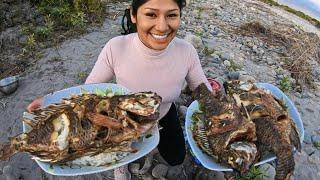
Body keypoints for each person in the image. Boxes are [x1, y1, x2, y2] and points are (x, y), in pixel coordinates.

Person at [27, 0, 212, 179]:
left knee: (176, 158)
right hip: (120, 119)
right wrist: (50, 101)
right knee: (107, 148)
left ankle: (150, 145)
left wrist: (220, 104)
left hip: (162, 113)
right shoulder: (116, 48)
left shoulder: (186, 51)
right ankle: (121, 162)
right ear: (134, 15)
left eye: (171, 15)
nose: (162, 26)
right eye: (151, 14)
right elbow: (88, 91)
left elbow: (202, 91)